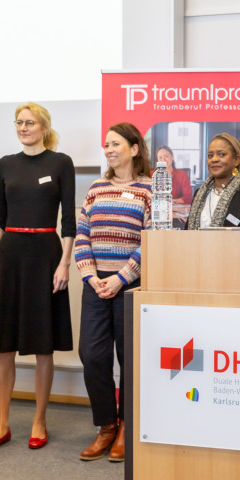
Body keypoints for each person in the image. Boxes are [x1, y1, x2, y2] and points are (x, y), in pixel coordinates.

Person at [0, 102, 75, 452]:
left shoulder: (61, 163)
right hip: (11, 256)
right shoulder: (5, 165)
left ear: (44, 127)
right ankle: (2, 424)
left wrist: (65, 263)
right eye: (19, 122)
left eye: (30, 122)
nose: (23, 127)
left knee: (42, 344)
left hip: (46, 256)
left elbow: (68, 221)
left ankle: (39, 419)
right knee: (4, 345)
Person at [76, 123, 152, 462]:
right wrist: (91, 277)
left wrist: (122, 277)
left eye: (116, 143)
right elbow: (82, 235)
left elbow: (151, 240)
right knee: (92, 355)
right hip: (95, 284)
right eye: (106, 144)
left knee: (130, 358)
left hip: (130, 285)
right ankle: (106, 425)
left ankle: (126, 427)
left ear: (135, 149)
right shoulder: (96, 188)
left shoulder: (149, 190)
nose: (108, 149)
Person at [187, 133, 240, 231]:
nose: (214, 159)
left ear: (236, 160)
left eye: (222, 154)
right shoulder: (199, 194)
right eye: (210, 155)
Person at [154, 145, 191, 225]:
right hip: (157, 215)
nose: (163, 160)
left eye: (166, 156)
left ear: (172, 157)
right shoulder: (152, 175)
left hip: (177, 216)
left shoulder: (182, 175)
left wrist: (171, 201)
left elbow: (188, 198)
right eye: (160, 158)